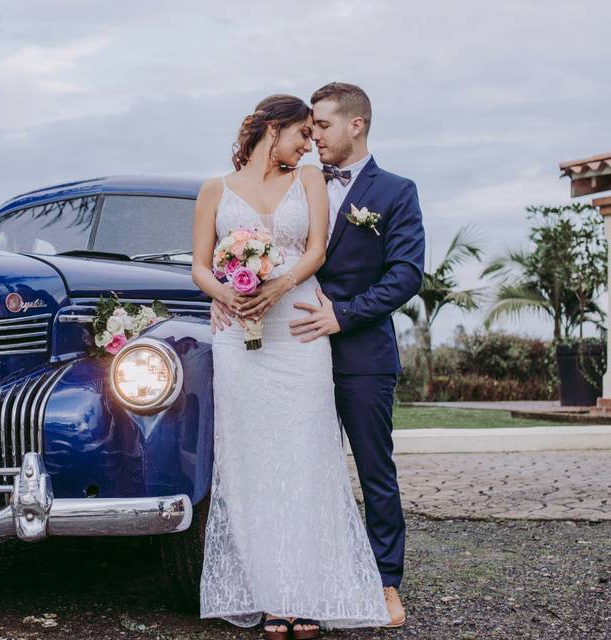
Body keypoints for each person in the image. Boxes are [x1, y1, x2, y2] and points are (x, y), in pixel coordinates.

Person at [209, 82, 426, 631]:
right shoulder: (296, 179)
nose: (314, 138)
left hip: (356, 349)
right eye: (308, 130)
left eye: (322, 127)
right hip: (278, 342)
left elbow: (405, 275)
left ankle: (385, 583)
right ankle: (287, 584)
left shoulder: (396, 192)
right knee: (292, 469)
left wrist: (343, 315)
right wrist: (225, 290)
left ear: (356, 125)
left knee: (374, 471)